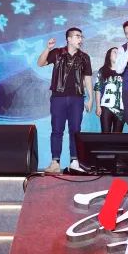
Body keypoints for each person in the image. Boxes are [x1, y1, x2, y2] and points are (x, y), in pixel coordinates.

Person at [37, 27, 93, 174]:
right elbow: (40, 63)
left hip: (77, 98)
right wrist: (48, 49)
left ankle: (74, 161)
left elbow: (87, 78)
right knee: (57, 130)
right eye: (77, 36)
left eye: (81, 37)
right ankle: (55, 162)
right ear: (69, 39)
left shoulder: (84, 57)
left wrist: (91, 98)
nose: (80, 39)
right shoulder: (57, 53)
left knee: (75, 130)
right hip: (58, 97)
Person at [95, 47, 125, 133]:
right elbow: (98, 89)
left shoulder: (125, 71)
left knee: (117, 136)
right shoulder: (103, 70)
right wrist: (98, 106)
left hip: (121, 108)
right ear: (109, 55)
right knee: (105, 134)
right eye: (115, 52)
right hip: (106, 107)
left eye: (119, 53)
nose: (117, 54)